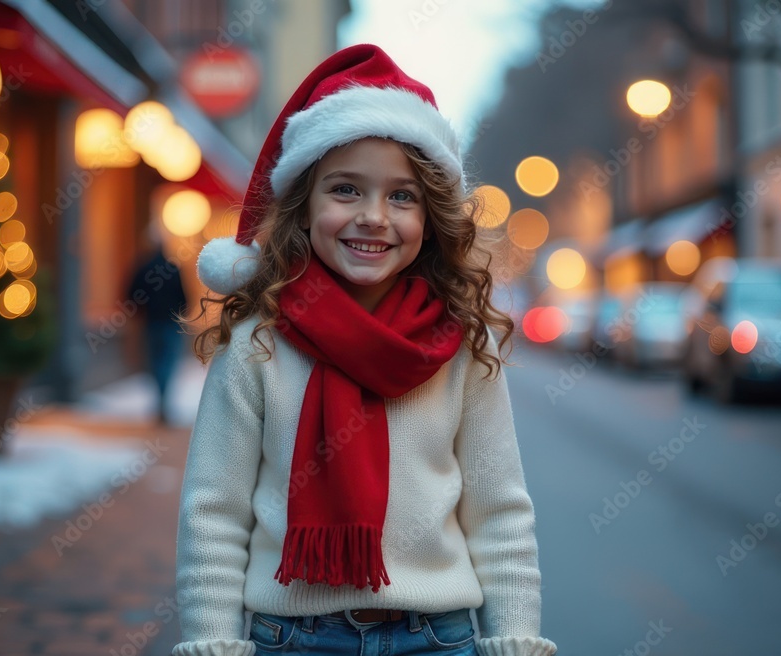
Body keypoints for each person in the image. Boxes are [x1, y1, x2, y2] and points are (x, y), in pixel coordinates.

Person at [173, 44, 557, 656]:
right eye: (346, 190)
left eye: (402, 196)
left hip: (439, 635)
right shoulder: (258, 347)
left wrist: (514, 638)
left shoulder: (461, 344)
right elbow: (214, 514)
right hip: (293, 638)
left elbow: (500, 511)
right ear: (303, 209)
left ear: (430, 220)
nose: (374, 217)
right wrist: (212, 643)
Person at [127, 236, 188, 424]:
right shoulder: (173, 269)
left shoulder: (143, 267)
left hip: (151, 322)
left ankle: (160, 401)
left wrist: (141, 312)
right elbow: (184, 298)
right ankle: (163, 401)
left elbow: (131, 295)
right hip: (170, 322)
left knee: (155, 363)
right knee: (167, 363)